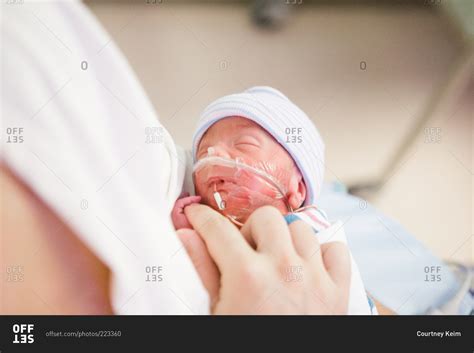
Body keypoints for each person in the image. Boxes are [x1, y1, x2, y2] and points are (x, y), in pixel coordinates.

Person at [1, 0, 352, 315]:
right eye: (205, 150)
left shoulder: (313, 230)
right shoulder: (189, 204)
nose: (216, 155)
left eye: (244, 146)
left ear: (298, 188)